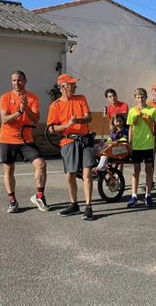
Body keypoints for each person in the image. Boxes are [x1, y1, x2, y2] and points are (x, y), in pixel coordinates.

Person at [47, 73, 95, 220]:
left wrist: (78, 120)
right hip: (68, 142)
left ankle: (88, 207)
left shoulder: (81, 99)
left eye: (74, 85)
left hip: (85, 140)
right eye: (71, 85)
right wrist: (67, 125)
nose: (74, 87)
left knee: (87, 174)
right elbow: (50, 129)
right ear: (63, 87)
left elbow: (89, 117)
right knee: (70, 175)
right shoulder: (55, 106)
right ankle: (74, 204)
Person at [0, 70, 48, 213]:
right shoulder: (5, 97)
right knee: (9, 169)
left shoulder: (33, 97)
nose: (16, 83)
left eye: (19, 80)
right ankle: (12, 201)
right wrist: (19, 112)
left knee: (41, 164)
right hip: (7, 138)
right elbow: (4, 119)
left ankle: (39, 196)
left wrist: (26, 108)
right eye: (14, 80)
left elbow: (36, 119)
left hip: (26, 139)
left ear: (25, 81)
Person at [127, 88, 156, 208]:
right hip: (137, 145)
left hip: (149, 144)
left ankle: (148, 195)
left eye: (143, 96)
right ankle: (134, 195)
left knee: (149, 170)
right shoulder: (132, 111)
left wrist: (155, 144)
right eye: (139, 97)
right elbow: (130, 127)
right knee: (136, 170)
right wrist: (130, 143)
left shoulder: (153, 110)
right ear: (135, 98)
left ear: (146, 97)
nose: (141, 99)